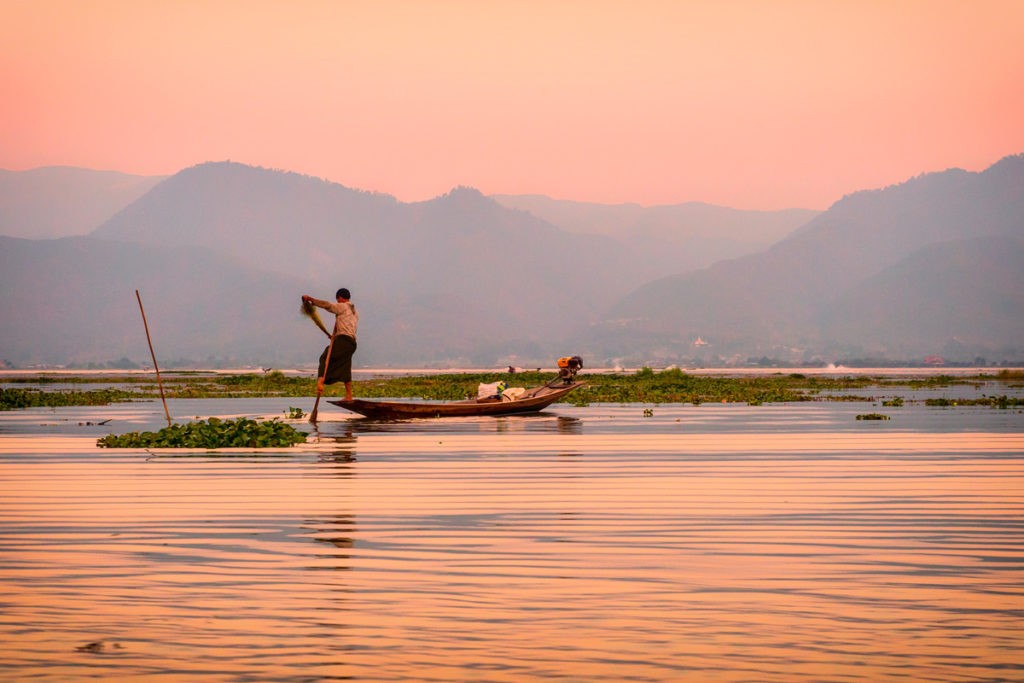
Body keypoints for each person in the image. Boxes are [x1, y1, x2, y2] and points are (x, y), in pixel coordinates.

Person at [302, 288, 358, 401]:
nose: (337, 302)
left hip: (344, 340)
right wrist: (334, 336)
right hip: (351, 344)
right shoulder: (354, 312)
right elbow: (346, 327)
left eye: (337, 300)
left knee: (324, 358)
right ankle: (349, 396)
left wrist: (312, 300)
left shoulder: (343, 306)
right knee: (346, 368)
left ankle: (320, 383)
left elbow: (327, 305)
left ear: (340, 298)